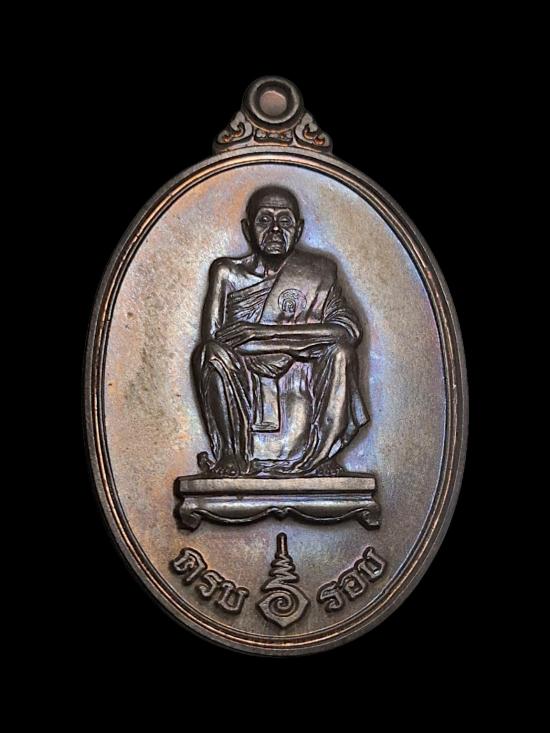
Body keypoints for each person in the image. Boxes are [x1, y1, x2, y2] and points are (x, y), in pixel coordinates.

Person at [193, 185, 368, 477]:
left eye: (284, 220)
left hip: (302, 380)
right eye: (264, 220)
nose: (275, 229)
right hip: (243, 375)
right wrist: (292, 346)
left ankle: (321, 456)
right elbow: (214, 340)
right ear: (247, 229)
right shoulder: (228, 273)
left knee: (341, 353)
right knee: (210, 354)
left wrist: (261, 333)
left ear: (298, 230)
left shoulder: (319, 272)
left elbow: (347, 331)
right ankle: (232, 455)